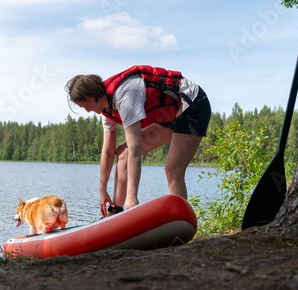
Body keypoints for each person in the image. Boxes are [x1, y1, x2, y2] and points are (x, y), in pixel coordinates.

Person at [66, 65, 211, 217]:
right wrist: (103, 191)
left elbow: (136, 149)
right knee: (122, 153)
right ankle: (115, 213)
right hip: (169, 112)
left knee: (173, 169)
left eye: (84, 106)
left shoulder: (125, 97)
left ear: (90, 97)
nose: (87, 111)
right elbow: (108, 151)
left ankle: (179, 220)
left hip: (192, 105)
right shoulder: (105, 110)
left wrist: (132, 196)